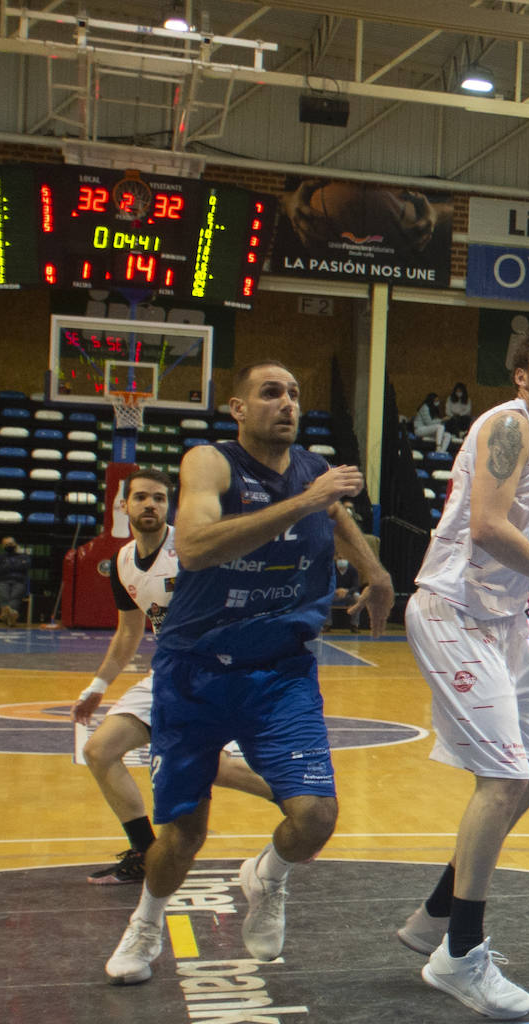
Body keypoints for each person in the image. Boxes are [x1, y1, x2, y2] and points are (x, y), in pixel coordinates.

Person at [104, 360, 394, 985]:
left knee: (316, 817)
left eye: (294, 393)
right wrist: (305, 501)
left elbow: (337, 516)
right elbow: (200, 546)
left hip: (280, 671)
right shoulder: (211, 463)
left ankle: (267, 876)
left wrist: (375, 571)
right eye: (270, 393)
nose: (286, 403)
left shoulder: (313, 471)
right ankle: (147, 922)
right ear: (238, 408)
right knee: (182, 834)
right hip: (195, 671)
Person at [395, 321, 529, 1020]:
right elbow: (484, 524)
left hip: (500, 621)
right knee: (504, 777)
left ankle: (433, 917)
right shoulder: (506, 426)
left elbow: (523, 530)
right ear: (521, 375)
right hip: (455, 610)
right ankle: (460, 954)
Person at [74, 468, 274, 885]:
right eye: (142, 497)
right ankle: (147, 852)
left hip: (211, 670)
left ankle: (298, 801)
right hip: (167, 672)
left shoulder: (190, 549)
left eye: (160, 499)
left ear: (171, 506)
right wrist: (97, 687)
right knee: (100, 751)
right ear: (123, 505)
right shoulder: (123, 562)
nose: (150, 505)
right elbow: (128, 633)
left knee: (207, 767)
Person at [0, 535, 31, 627]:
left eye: (11, 543)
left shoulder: (24, 557)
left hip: (19, 581)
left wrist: (5, 566)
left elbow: (25, 566)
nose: (9, 545)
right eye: (7, 544)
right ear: (2, 545)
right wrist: (15, 566)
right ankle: (11, 616)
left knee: (15, 596)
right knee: (4, 596)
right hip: (2, 581)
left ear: (15, 544)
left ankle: (6, 616)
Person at [329, 555, 362, 630]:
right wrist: (336, 590)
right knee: (326, 600)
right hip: (334, 594)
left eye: (344, 558)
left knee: (357, 600)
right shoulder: (331, 569)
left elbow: (356, 586)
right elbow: (327, 584)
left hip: (348, 594)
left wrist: (347, 591)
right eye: (340, 558)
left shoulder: (352, 569)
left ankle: (354, 625)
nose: (342, 560)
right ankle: (327, 625)